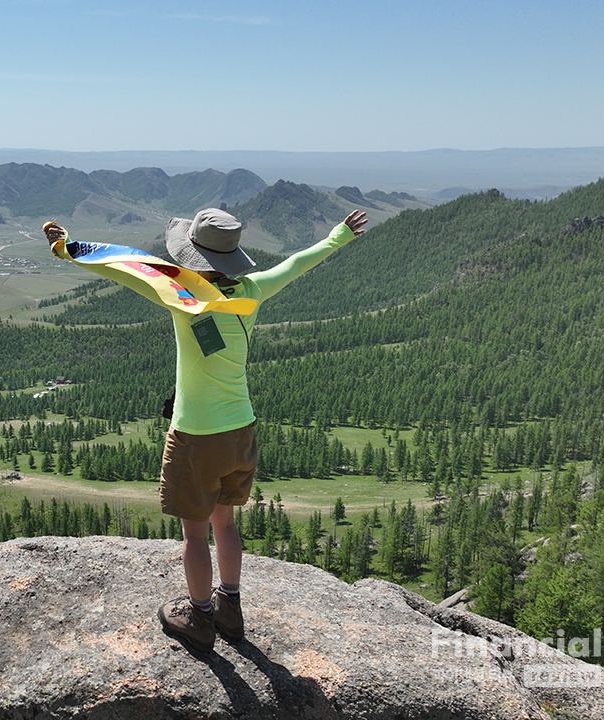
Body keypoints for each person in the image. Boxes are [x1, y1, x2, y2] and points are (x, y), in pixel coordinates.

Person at [45, 208, 368, 654]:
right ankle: (230, 609)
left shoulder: (180, 294)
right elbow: (297, 263)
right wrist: (340, 235)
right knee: (226, 524)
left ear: (192, 256)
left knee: (194, 535)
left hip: (196, 435)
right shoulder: (252, 290)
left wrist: (68, 249)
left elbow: (123, 268)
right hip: (241, 428)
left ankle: (199, 618)